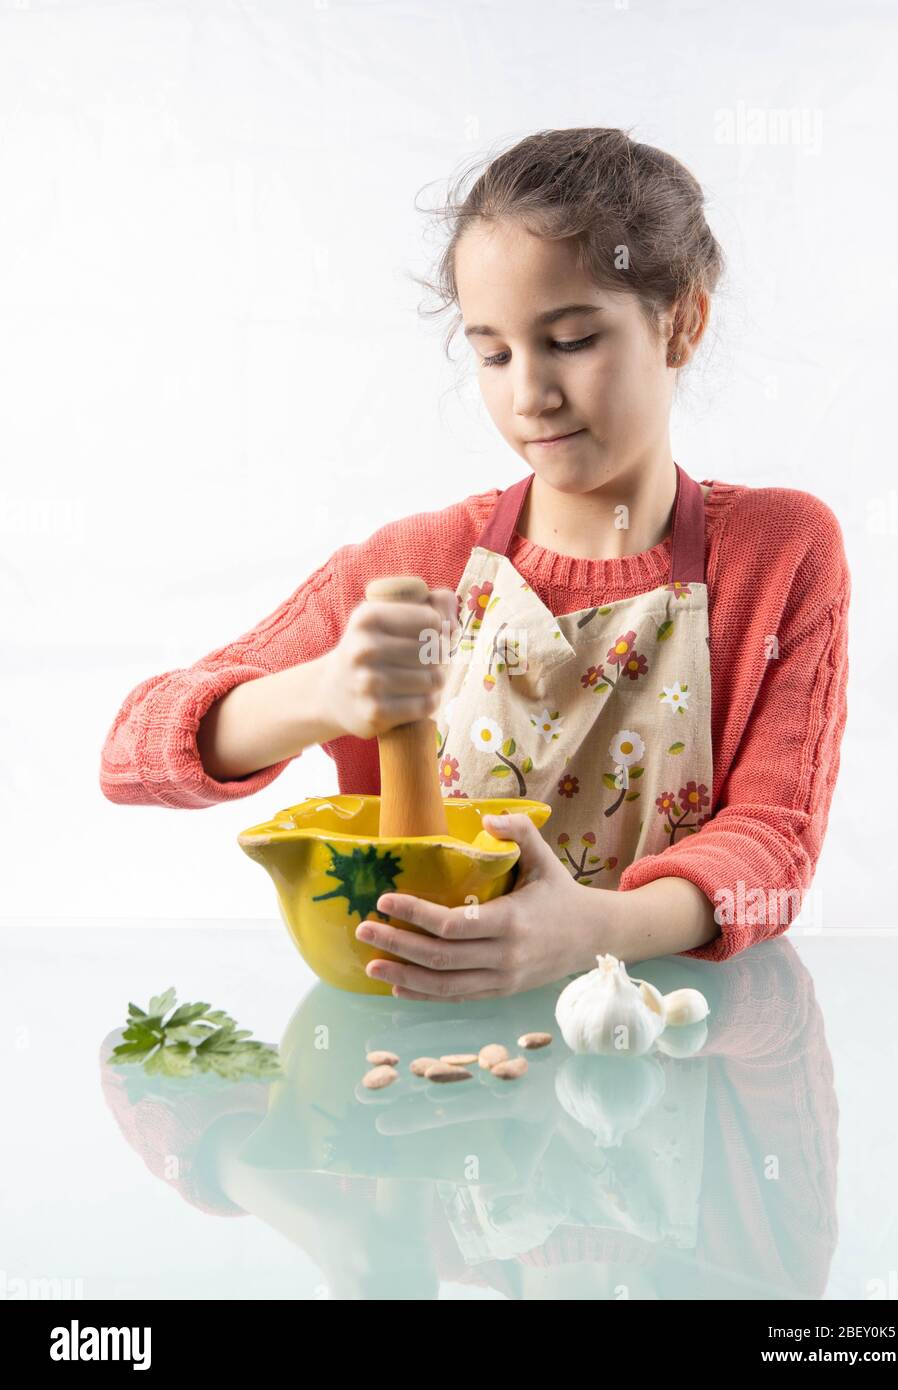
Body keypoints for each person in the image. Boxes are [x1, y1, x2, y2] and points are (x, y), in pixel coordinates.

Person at [99, 127, 851, 996]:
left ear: (681, 321)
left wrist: (592, 933)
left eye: (570, 340)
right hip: (429, 1058)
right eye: (493, 353)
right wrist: (324, 693)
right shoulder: (412, 565)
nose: (528, 393)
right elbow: (130, 754)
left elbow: (773, 843)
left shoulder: (778, 551)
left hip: (671, 1044)